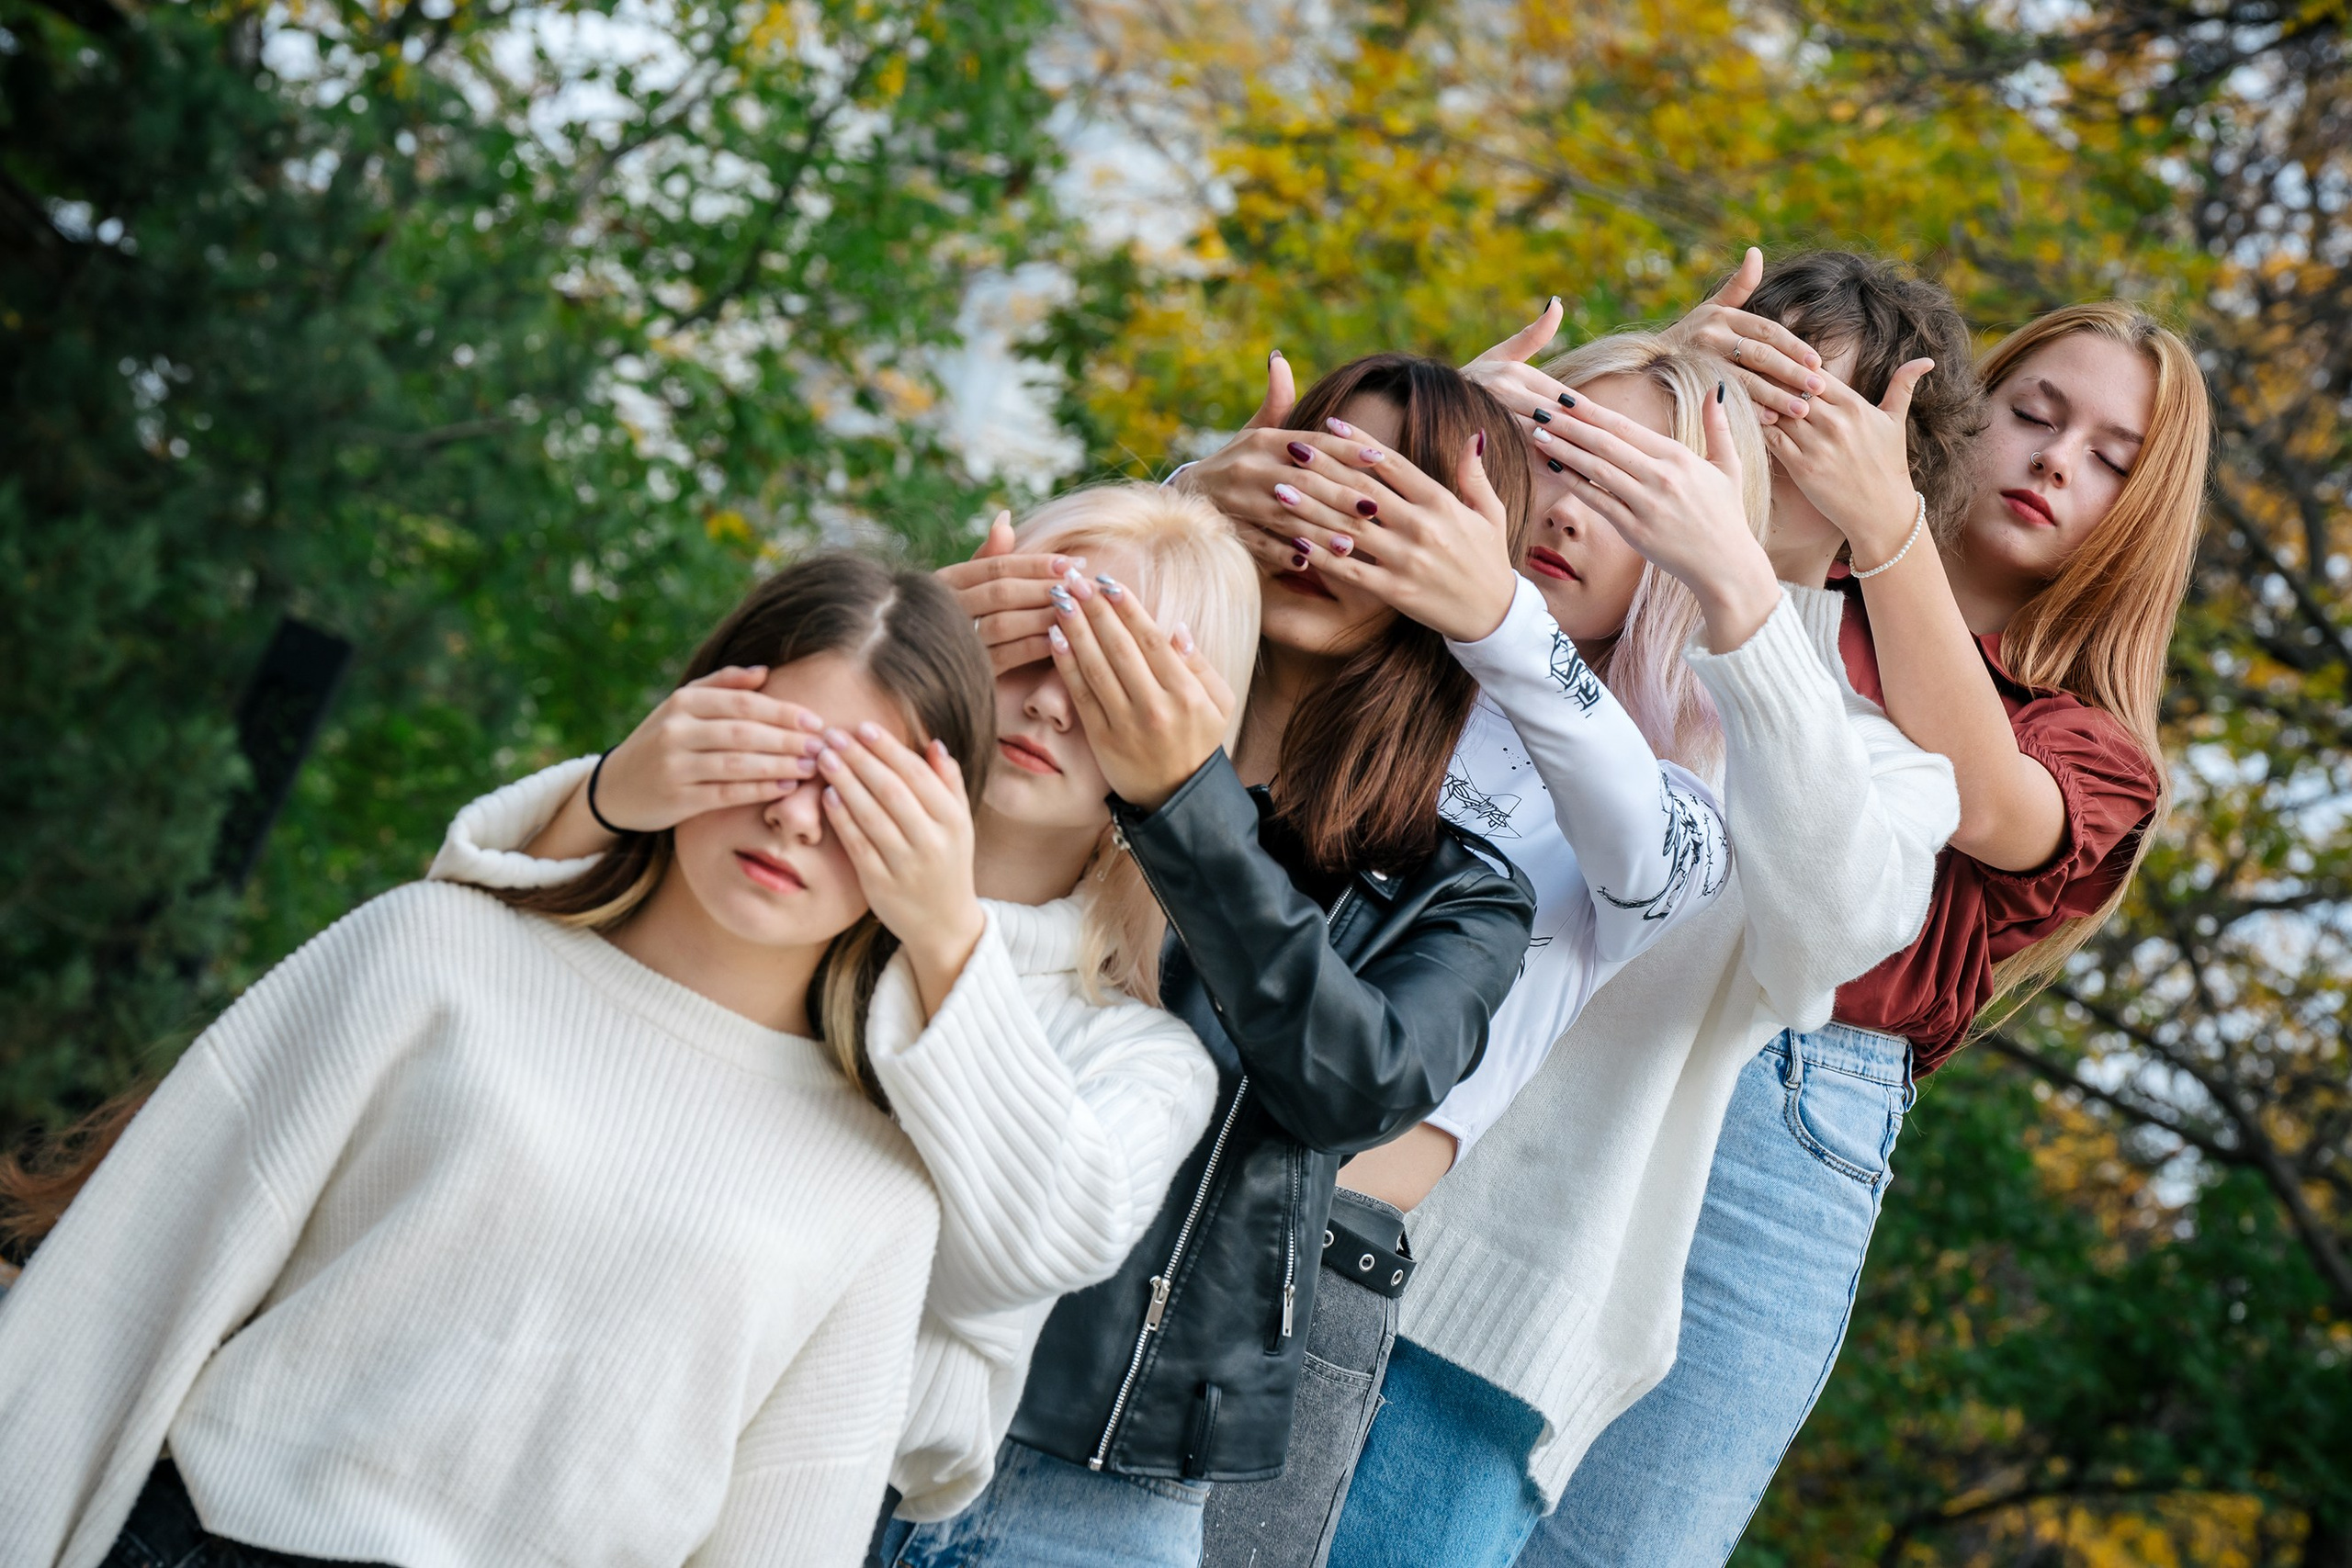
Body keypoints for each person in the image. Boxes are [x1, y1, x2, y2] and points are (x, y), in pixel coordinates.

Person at [0, 553, 1029, 1568]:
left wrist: (950, 931)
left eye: (864, 794)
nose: (796, 815)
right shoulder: (429, 953)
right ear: (685, 720)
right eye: (771, 753)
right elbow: (113, 1302)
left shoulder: (880, 1191)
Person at [1503, 258, 2208, 1568]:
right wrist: (1676, 376)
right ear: (1953, 410)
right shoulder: (1776, 562)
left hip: (1794, 1110)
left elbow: (1986, 801)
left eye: (2114, 457)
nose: (2057, 461)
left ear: (2141, 514)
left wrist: (1886, 535)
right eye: (2035, 411)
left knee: (1620, 1543)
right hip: (1600, 996)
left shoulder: (2095, 749)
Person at [1288, 268, 1973, 1566]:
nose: (1740, 436)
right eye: (1738, 375)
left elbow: (1828, 929)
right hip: (1237, 1202)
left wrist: (1738, 598)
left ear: (1888, 481)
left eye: (1802, 414)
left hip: (1477, 1334)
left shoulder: (1871, 757)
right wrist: (1408, 444)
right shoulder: (1435, 632)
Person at [424, 484, 1262, 1531]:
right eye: (1030, 637)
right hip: (516, 1378)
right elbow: (451, 959)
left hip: (831, 1512)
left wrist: (945, 931)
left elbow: (1015, 1256)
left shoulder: (1138, 1053)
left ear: (1183, 742)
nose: (1050, 699)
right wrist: (901, 661)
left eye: (1110, 681)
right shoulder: (773, 866)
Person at [886, 354, 1540, 1568]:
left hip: (1088, 1479)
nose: (1334, 522)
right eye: (1319, 462)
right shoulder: (1043, 719)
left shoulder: (1458, 891)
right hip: (846, 1362)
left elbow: (1348, 1085)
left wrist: (1181, 798)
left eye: (1394, 496)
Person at [1169, 333, 1741, 1568]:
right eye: (1547, 450)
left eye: (1627, 481)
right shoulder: (1352, 667)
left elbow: (1641, 847)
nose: (1568, 507)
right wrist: (1231, 496)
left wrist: (1494, 610)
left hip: (1302, 1269)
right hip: (1124, 1169)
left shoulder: (1672, 798)